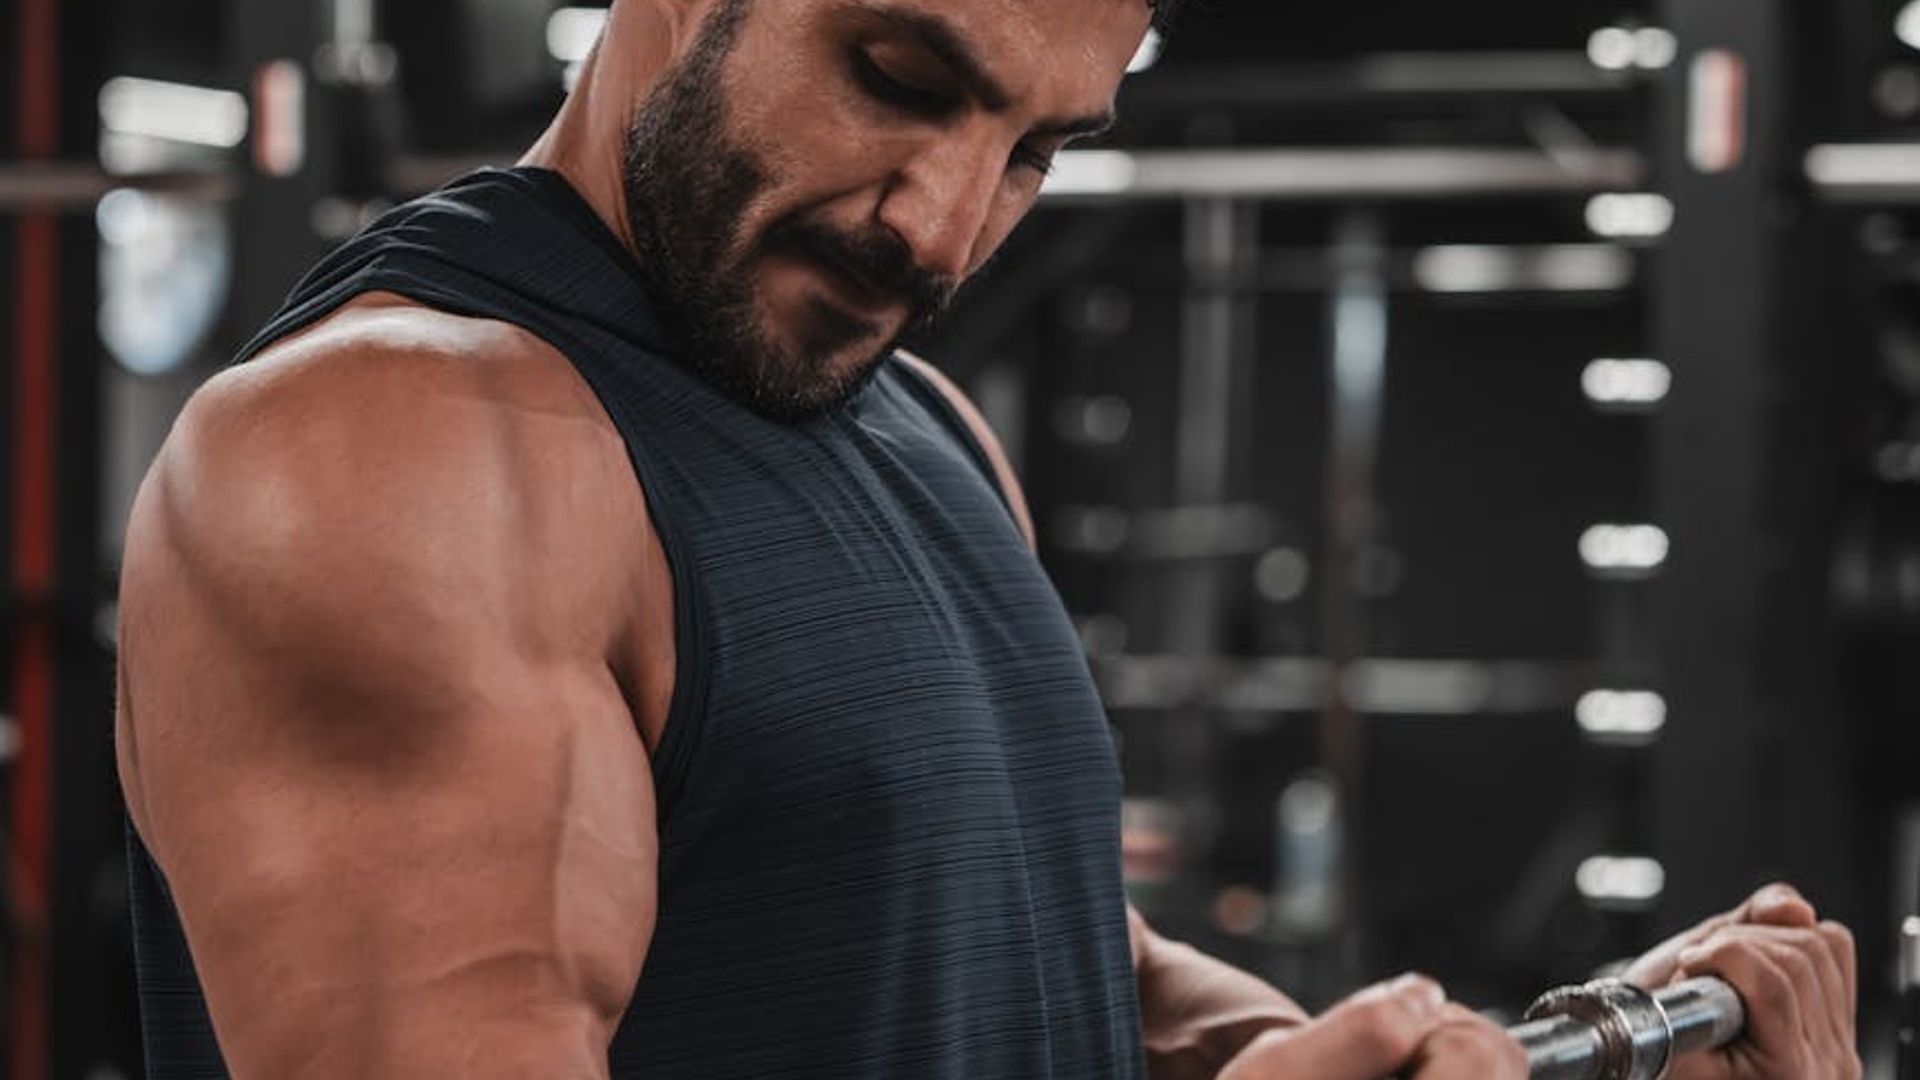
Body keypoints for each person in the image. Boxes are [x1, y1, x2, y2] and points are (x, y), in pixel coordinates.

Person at [114, 0, 1861, 1076]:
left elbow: (1045, 963)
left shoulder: (923, 429)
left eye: (1033, 150)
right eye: (898, 76)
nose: (944, 231)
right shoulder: (394, 452)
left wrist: (1470, 1058)